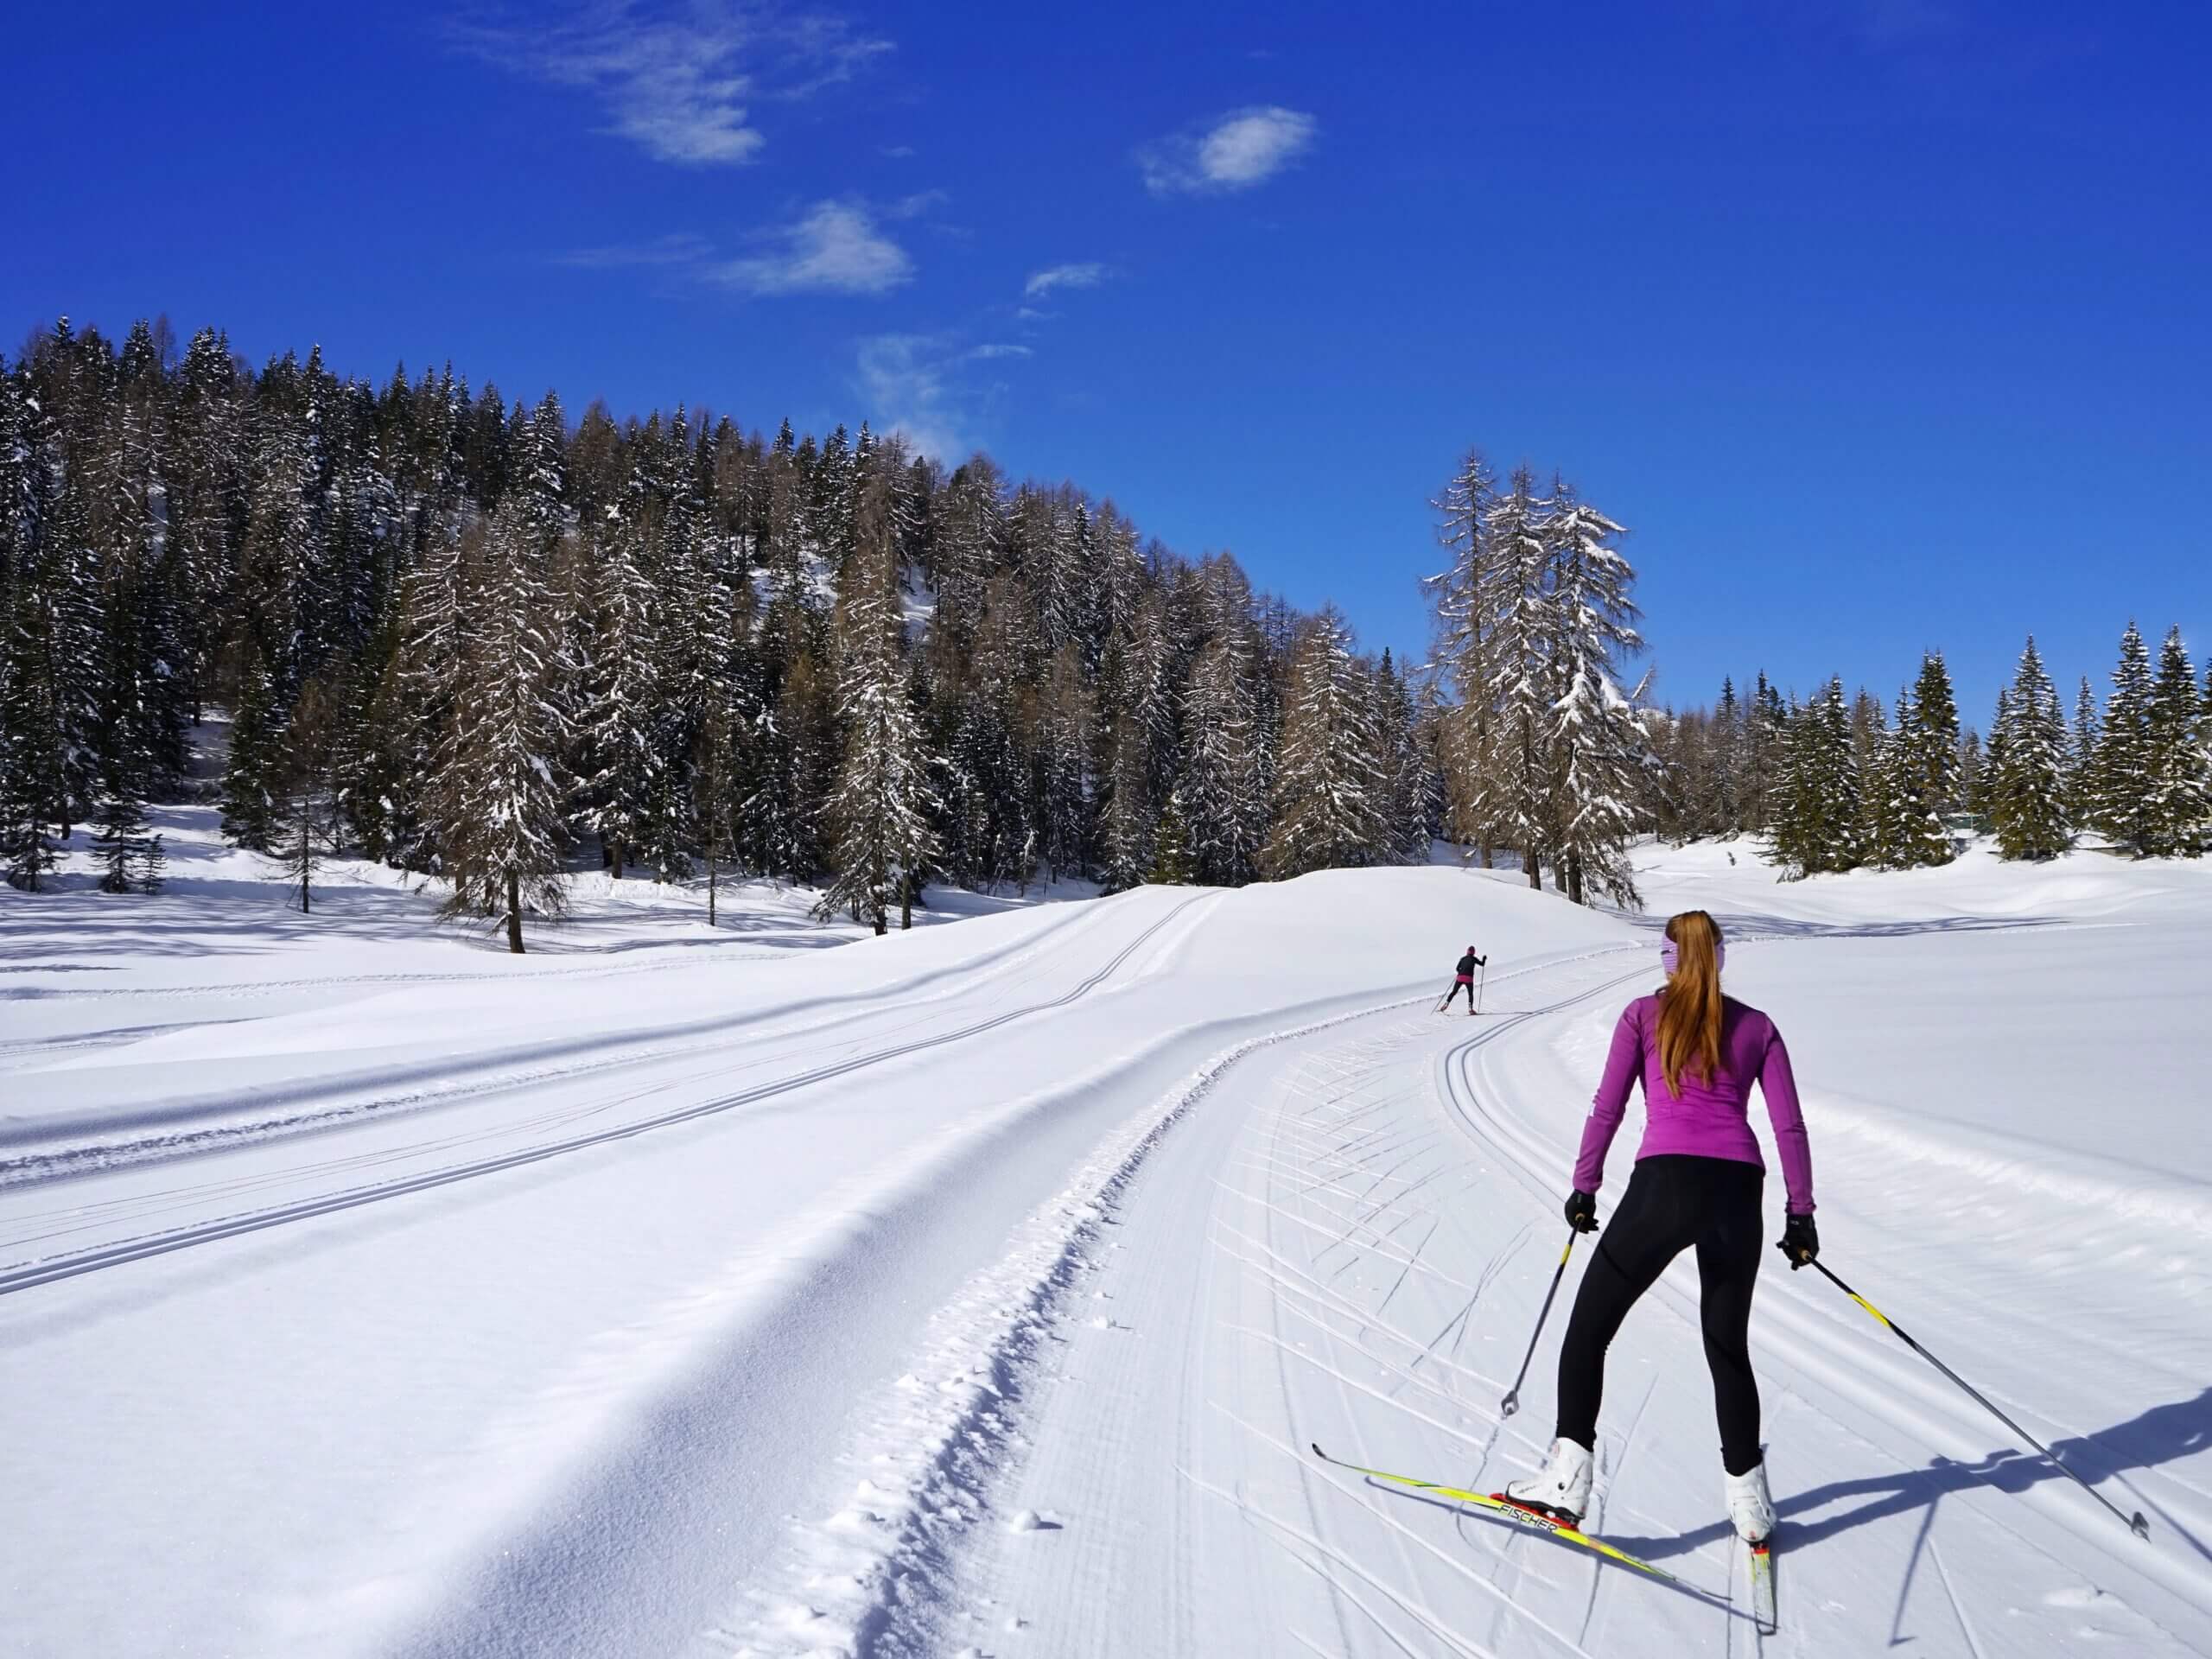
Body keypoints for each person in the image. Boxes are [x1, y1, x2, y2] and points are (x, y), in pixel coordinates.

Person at [1503, 909, 1817, 1545]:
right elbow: (1789, 1126)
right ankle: (1750, 1502)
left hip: (1663, 1188)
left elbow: (1609, 1107)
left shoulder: (1643, 1016)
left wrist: (1584, 1186)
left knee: (1589, 1331)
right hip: (1737, 1192)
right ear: (1721, 956)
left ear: (1668, 958)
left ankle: (1566, 1482)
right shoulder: (1758, 1027)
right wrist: (1800, 1213)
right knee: (1726, 1345)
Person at [1443, 944, 1486, 1014]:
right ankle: (1470, 1009)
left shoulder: (1462, 959)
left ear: (1467, 951)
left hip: (1460, 977)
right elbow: (1482, 964)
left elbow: (1457, 969)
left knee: (1454, 992)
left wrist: (1461, 971)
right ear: (1473, 952)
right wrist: (1484, 959)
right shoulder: (1474, 959)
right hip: (1469, 979)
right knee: (1470, 994)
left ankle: (1446, 1004)